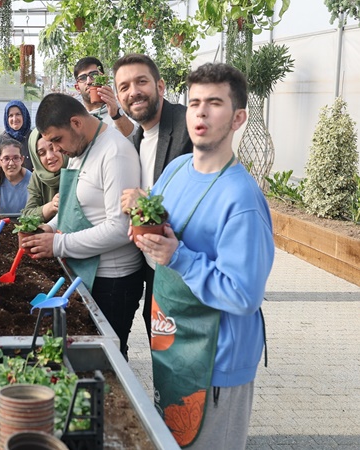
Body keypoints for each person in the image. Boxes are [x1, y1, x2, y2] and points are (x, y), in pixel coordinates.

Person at [139, 63, 274, 449]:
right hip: (175, 345)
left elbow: (244, 296)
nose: (200, 112)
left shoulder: (242, 199)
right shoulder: (178, 169)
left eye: (215, 103)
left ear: (238, 118)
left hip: (218, 361)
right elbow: (158, 232)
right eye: (195, 102)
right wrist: (144, 230)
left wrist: (178, 256)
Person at [21, 93, 142, 358]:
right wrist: (50, 228)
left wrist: (57, 243)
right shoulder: (80, 147)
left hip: (112, 283)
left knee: (106, 359)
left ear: (76, 123)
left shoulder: (115, 153)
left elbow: (120, 228)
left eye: (56, 140)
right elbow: (76, 205)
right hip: (86, 273)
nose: (56, 149)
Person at [114, 53, 194, 340]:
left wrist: (145, 202)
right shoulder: (135, 140)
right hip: (152, 270)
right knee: (161, 351)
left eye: (141, 82)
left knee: (185, 365)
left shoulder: (188, 126)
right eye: (124, 87)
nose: (133, 92)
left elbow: (204, 195)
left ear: (160, 87)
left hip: (187, 273)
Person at [73, 56, 136, 140]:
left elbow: (136, 140)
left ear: (105, 80)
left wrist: (116, 114)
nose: (89, 81)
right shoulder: (76, 117)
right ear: (77, 88)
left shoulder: (122, 108)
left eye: (94, 75)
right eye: (83, 78)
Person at [21, 129, 68, 222]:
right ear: (36, 158)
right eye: (42, 153)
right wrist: (51, 206)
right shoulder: (37, 176)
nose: (50, 156)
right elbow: (27, 216)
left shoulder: (76, 168)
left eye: (53, 148)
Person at [0, 138, 32, 214]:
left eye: (16, 158)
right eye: (6, 158)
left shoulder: (31, 180)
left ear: (22, 160)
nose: (11, 163)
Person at [0, 100, 34, 173]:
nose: (14, 119)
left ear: (24, 115)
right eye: (11, 115)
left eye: (18, 114)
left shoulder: (33, 138)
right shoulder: (0, 140)